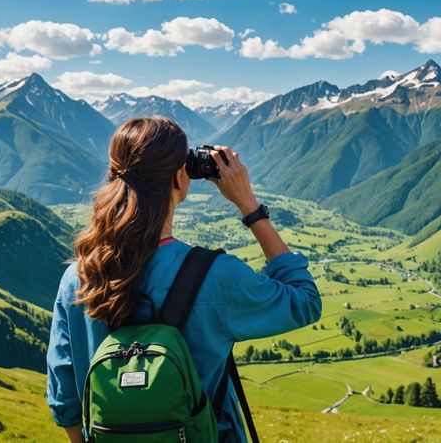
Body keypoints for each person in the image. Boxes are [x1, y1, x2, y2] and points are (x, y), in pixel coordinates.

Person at [46, 117, 322, 442]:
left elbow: (64, 397)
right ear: (181, 175)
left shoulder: (78, 277)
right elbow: (304, 300)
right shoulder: (216, 275)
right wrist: (248, 204)